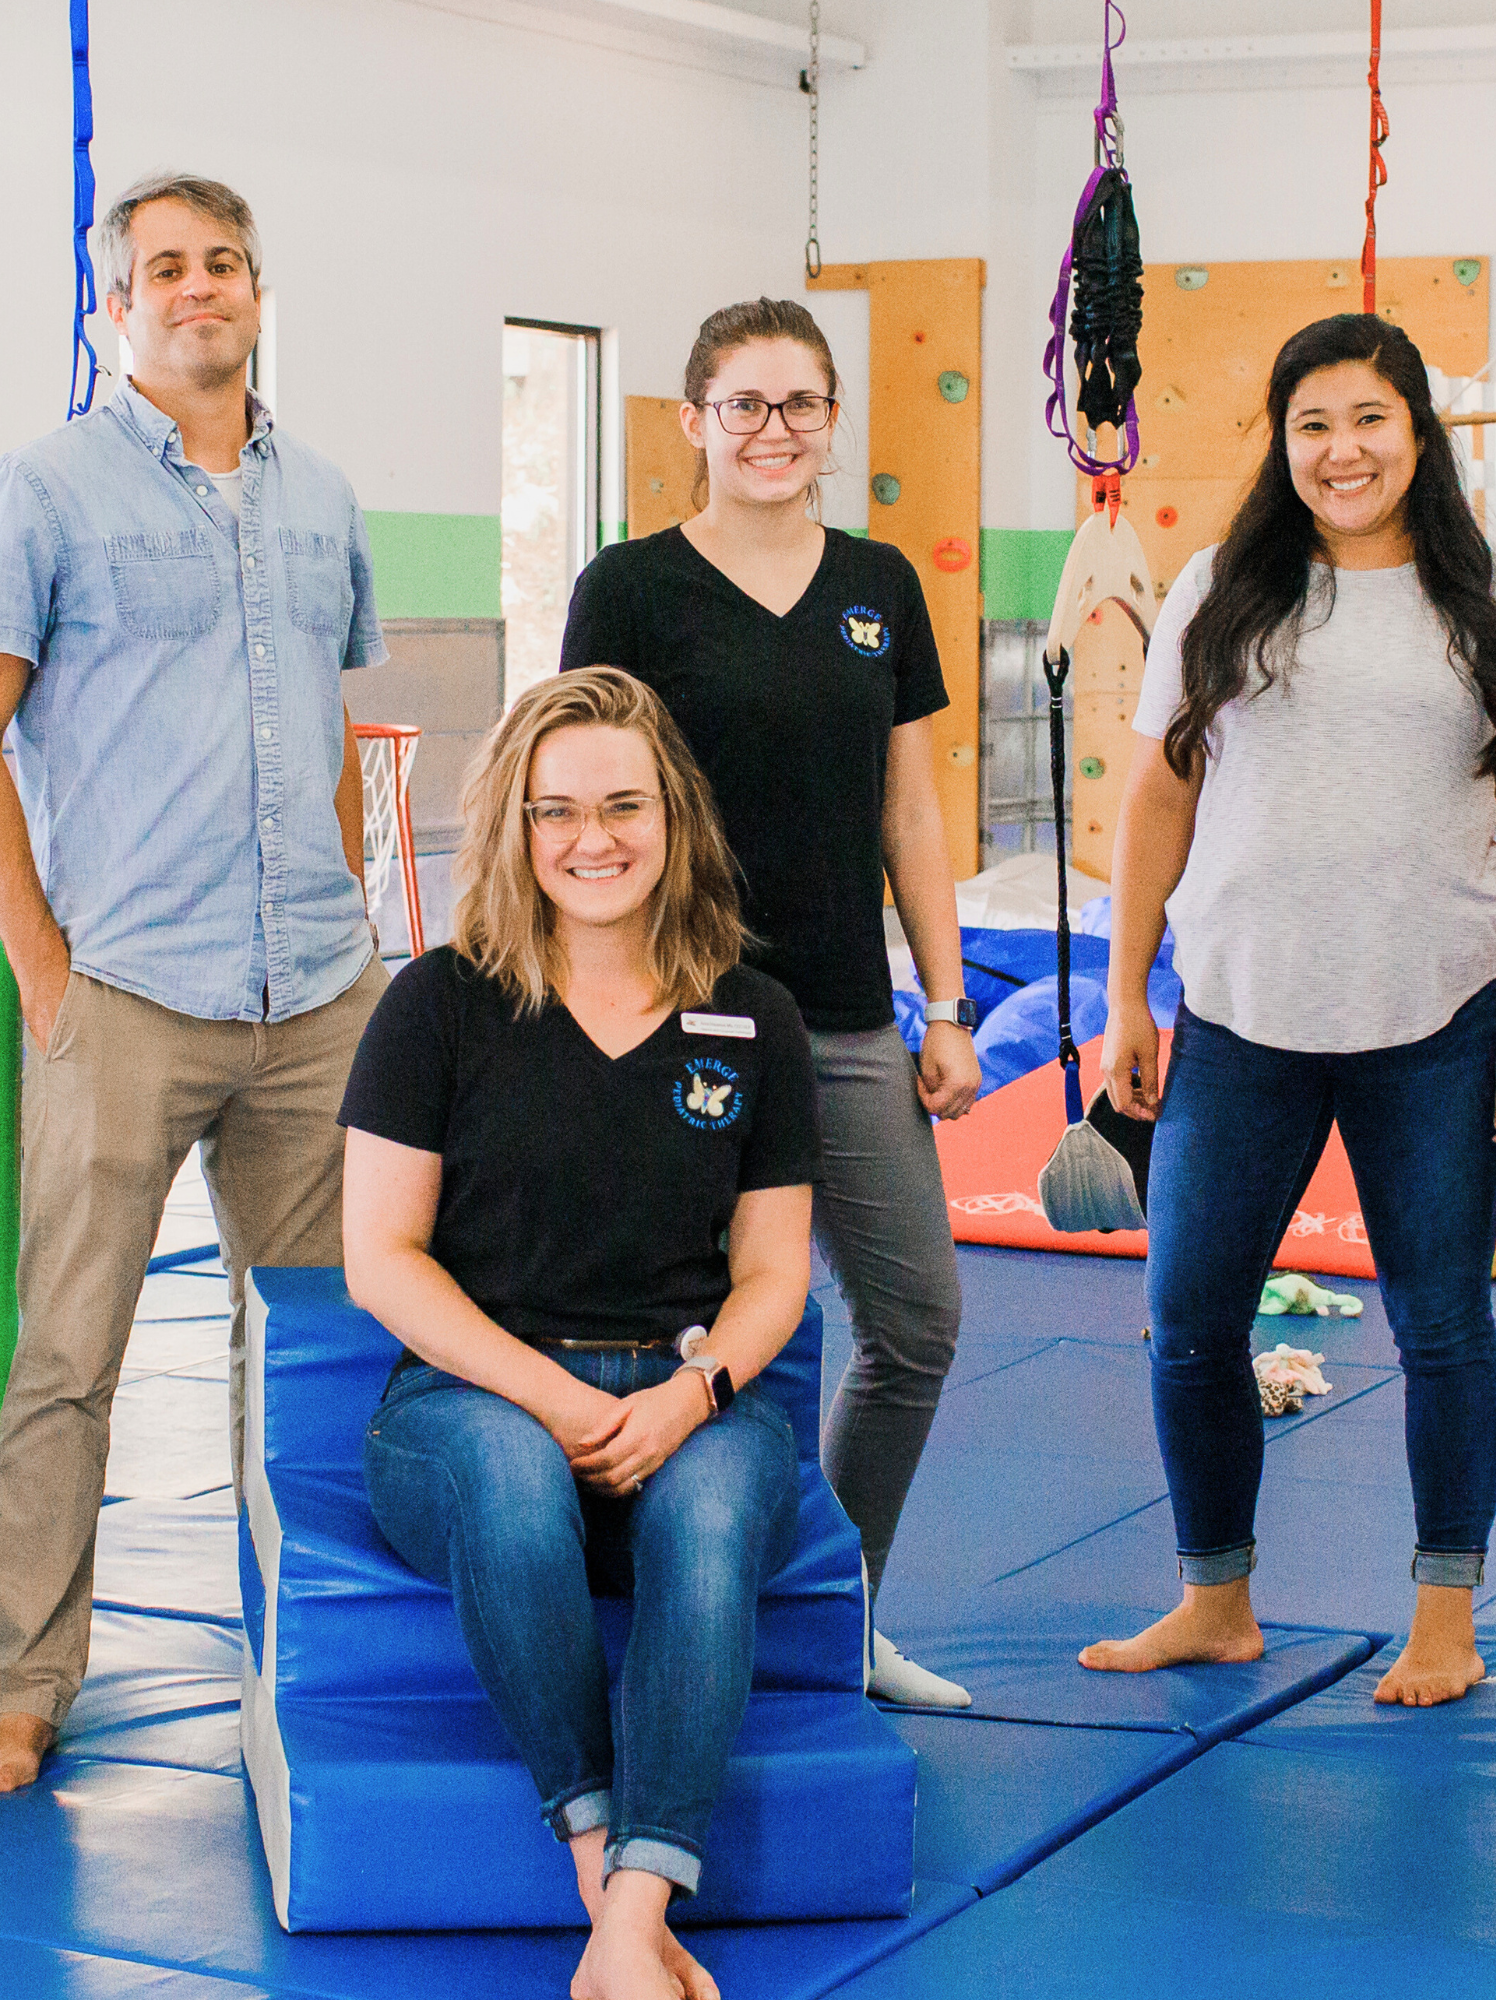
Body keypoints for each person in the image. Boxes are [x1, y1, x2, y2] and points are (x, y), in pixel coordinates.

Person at [1083, 313, 1496, 1706]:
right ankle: (1216, 1599)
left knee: (1444, 1324)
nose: (1342, 452)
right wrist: (1124, 996)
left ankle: (1445, 1618)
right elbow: (1158, 793)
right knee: (1186, 1317)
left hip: (1442, 1014)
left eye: (1369, 420)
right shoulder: (1223, 585)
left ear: (1417, 432)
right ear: (1282, 444)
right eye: (1312, 427)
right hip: (1239, 1013)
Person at [341, 668, 817, 2000]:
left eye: (622, 805)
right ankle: (597, 1857)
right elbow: (381, 1260)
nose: (592, 839)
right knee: (506, 1484)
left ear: (673, 817)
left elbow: (774, 1273)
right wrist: (551, 1400)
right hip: (470, 1404)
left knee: (713, 1522)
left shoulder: (751, 1016)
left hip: (685, 1395)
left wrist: (698, 1391)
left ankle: (632, 1923)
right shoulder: (437, 1003)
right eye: (556, 811)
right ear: (513, 825)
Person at [0, 173, 389, 1792]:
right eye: (166, 267)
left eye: (225, 260)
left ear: (255, 286)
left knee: (317, 1344)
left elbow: (338, 730)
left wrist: (352, 909)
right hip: (130, 990)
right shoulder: (47, 493)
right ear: (117, 307)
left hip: (314, 992)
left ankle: (312, 1655)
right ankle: (24, 1680)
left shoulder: (327, 495)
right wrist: (44, 974)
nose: (200, 286)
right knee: (69, 1352)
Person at [561, 298, 979, 1707]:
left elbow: (911, 808)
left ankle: (831, 1612)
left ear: (831, 421)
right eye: (744, 403)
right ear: (693, 423)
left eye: (801, 403)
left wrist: (946, 1003)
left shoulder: (877, 584)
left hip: (848, 1017)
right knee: (688, 1325)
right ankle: (660, 1625)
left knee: (916, 1321)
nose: (774, 430)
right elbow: (580, 806)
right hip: (677, 1009)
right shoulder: (629, 588)